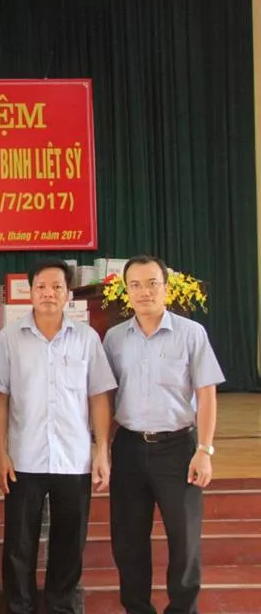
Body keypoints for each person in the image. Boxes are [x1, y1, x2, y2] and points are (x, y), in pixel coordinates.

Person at [0, 259, 117, 614]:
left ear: (68, 293)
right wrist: (0, 452)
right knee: (19, 542)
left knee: (70, 540)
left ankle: (61, 604)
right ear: (30, 292)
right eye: (41, 287)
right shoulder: (9, 338)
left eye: (57, 287)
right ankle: (20, 606)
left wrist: (102, 451)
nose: (49, 293)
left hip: (73, 457)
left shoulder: (87, 339)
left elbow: (98, 396)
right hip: (23, 457)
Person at [102, 255, 224, 614]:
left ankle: (183, 609)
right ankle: (137, 608)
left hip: (178, 449)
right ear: (127, 292)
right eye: (136, 285)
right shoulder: (114, 338)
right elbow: (106, 397)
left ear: (166, 287)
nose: (144, 292)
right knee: (128, 541)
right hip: (128, 448)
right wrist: (102, 448)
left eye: (152, 283)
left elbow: (206, 394)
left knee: (184, 541)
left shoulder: (191, 333)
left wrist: (204, 450)